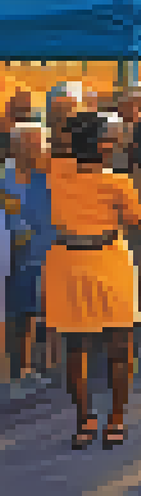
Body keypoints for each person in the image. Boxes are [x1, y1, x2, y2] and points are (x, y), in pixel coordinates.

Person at [42, 112, 141, 449]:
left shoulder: (56, 169)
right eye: (111, 139)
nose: (116, 144)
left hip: (66, 260)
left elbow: (49, 145)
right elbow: (139, 221)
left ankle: (85, 420)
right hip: (109, 259)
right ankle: (116, 418)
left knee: (76, 347)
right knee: (120, 345)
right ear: (101, 144)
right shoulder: (117, 181)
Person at [4, 123, 55, 379]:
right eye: (34, 144)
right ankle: (20, 367)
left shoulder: (49, 177)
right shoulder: (4, 179)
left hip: (49, 252)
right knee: (19, 313)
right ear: (17, 147)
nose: (41, 149)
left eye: (42, 144)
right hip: (13, 256)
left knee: (46, 311)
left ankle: (47, 365)